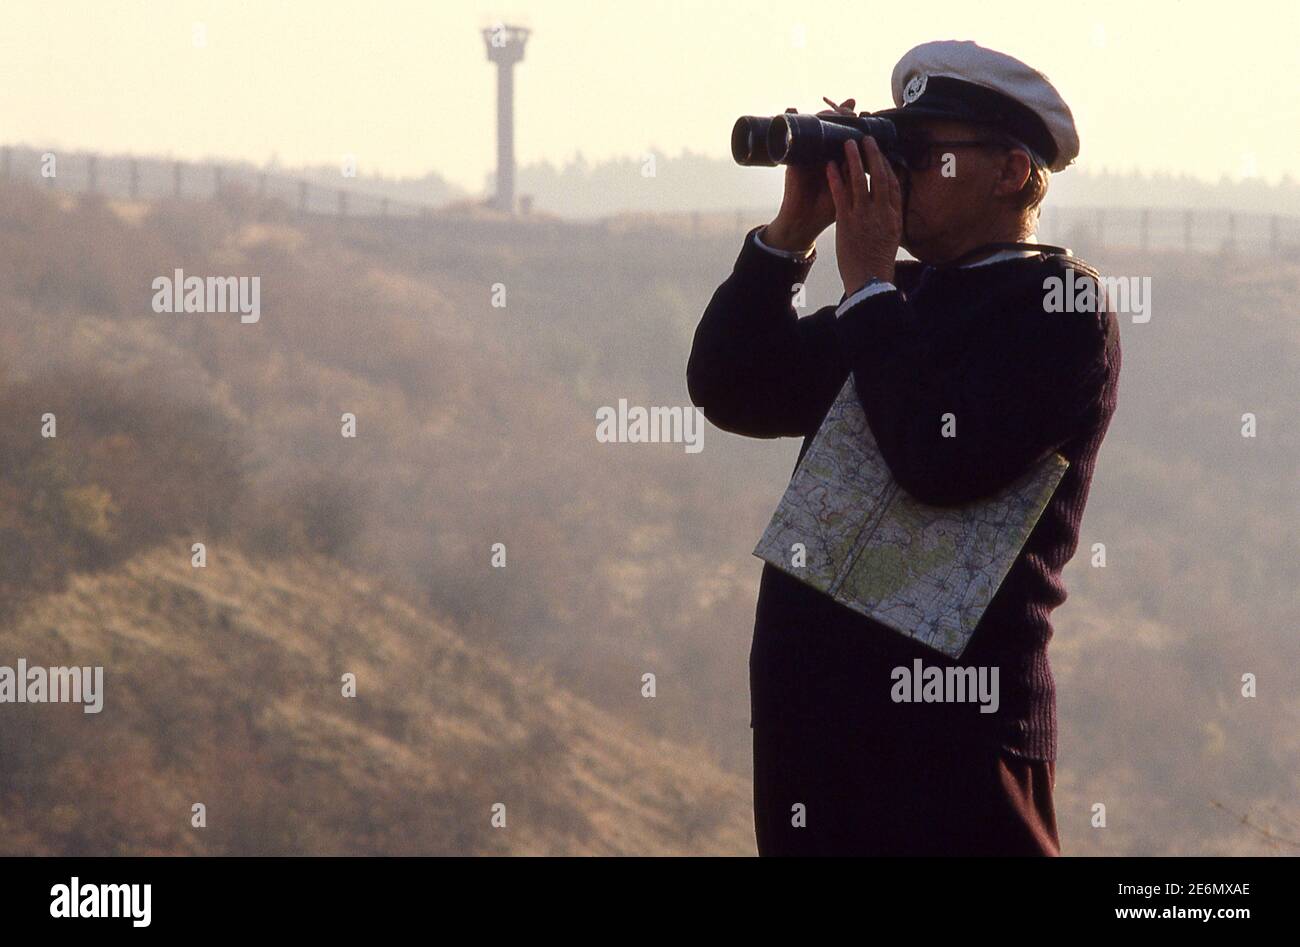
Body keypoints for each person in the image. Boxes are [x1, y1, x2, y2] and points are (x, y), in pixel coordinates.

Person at [687, 40, 1122, 855]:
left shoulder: (1059, 308)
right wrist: (791, 232)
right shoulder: (899, 296)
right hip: (813, 735)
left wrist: (870, 287)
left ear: (1011, 172)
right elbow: (731, 386)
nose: (897, 175)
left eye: (921, 156)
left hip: (950, 744)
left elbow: (938, 461)